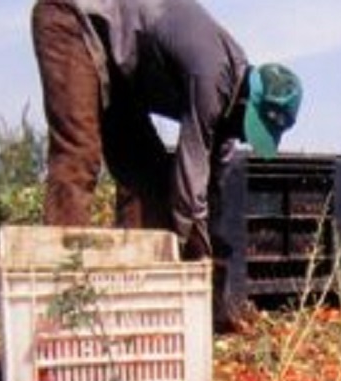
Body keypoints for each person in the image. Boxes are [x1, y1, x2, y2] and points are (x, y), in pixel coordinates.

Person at [31, 0, 302, 260]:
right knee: (80, 152)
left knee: (147, 175)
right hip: (73, 20)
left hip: (119, 67)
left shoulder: (229, 102)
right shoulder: (212, 75)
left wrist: (214, 238)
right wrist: (198, 254)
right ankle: (62, 285)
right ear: (246, 102)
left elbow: (213, 181)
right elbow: (189, 184)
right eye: (249, 128)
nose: (244, 137)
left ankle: (137, 283)